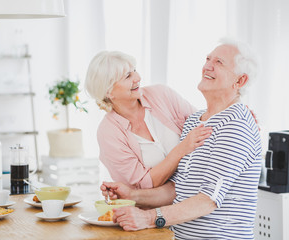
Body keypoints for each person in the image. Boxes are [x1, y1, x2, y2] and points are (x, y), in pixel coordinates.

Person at [101, 39, 261, 239]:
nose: (207, 66)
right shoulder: (195, 121)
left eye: (219, 62)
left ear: (240, 81)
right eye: (208, 58)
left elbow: (207, 200)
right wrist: (133, 196)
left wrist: (148, 218)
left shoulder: (235, 125)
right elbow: (179, 189)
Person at [85, 51, 212, 189]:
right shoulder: (108, 133)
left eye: (134, 70)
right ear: (109, 92)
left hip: (195, 191)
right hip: (151, 207)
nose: (138, 78)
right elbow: (144, 184)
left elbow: (203, 123)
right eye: (128, 76)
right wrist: (182, 149)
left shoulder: (161, 94)